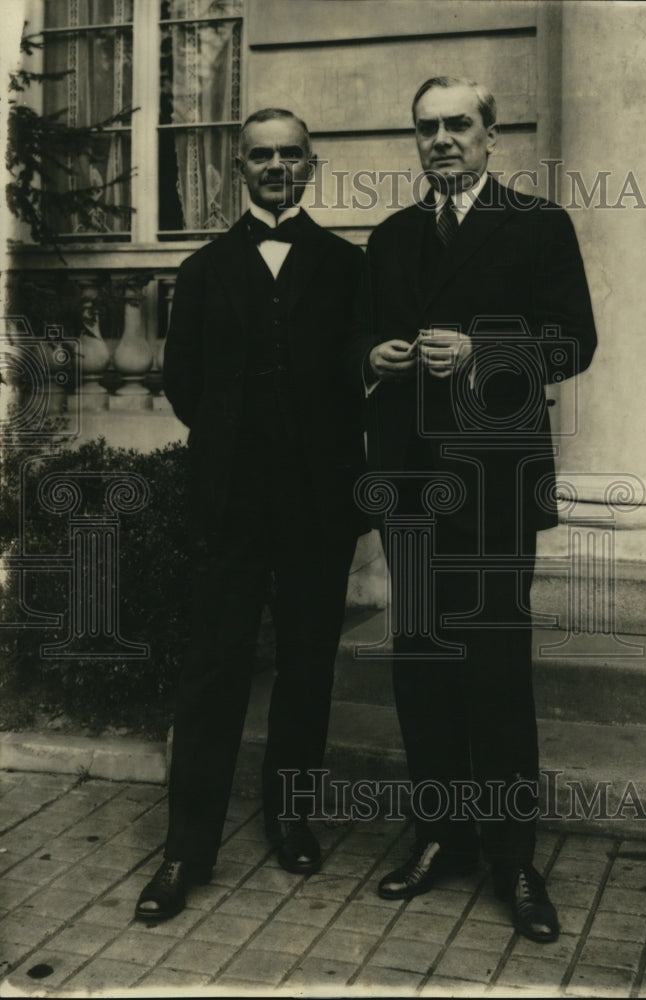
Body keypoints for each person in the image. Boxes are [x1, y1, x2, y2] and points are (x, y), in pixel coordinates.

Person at [364, 76, 597, 943]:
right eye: (426, 128)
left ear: (492, 135)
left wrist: (483, 348)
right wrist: (374, 358)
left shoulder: (538, 225)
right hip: (412, 490)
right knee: (421, 667)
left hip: (494, 489)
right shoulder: (389, 237)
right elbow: (354, 334)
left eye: (458, 125)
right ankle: (441, 837)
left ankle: (514, 859)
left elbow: (574, 340)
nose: (442, 140)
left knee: (496, 675)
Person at [135, 108, 368, 921]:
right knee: (213, 672)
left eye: (290, 154)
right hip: (229, 505)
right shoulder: (202, 271)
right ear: (240, 168)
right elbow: (184, 383)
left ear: (312, 163)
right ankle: (185, 849)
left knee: (307, 669)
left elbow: (356, 379)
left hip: (318, 506)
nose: (276, 166)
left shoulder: (348, 266)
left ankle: (291, 816)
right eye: (261, 155)